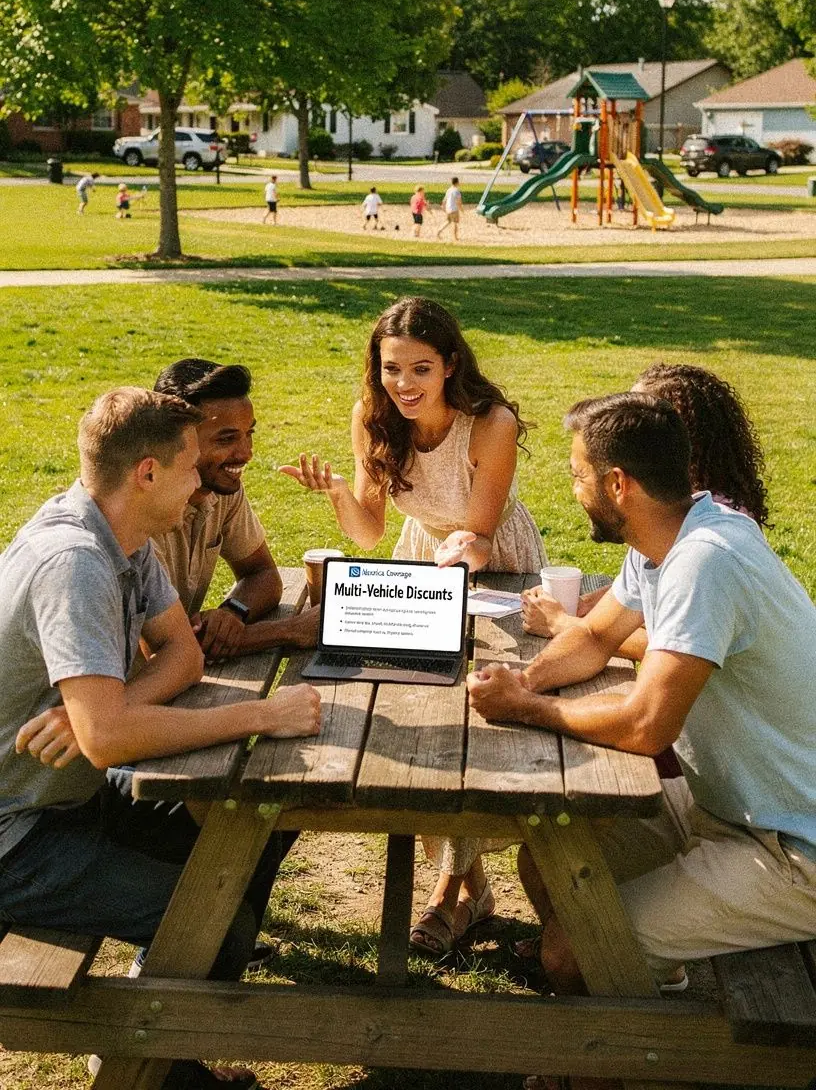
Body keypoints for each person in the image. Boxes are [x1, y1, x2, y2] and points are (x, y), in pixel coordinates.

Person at [3, 388, 320, 1090]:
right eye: (190, 466)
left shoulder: (125, 535)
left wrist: (104, 710)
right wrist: (260, 715)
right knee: (219, 916)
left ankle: (168, 1027)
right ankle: (154, 1065)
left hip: (70, 798)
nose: (203, 479)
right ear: (146, 472)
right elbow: (111, 741)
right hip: (16, 839)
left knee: (253, 835)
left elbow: (185, 657)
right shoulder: (76, 561)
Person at [468, 392, 816, 995]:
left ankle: (621, 1060)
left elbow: (646, 725)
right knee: (549, 865)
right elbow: (593, 640)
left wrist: (528, 708)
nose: (575, 490)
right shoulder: (668, 535)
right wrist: (523, 679)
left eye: (579, 476)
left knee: (573, 947)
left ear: (618, 484)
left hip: (792, 850)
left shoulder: (703, 562)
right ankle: (653, 993)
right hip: (725, 812)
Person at [280, 296, 546, 956]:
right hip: (423, 556)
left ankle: (452, 893)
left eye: (420, 369)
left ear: (450, 365)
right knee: (428, 711)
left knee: (480, 717)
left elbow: (480, 536)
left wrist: (466, 550)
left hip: (496, 566)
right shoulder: (373, 419)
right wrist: (342, 494)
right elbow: (368, 529)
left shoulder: (491, 423)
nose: (403, 384)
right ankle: (464, 888)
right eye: (391, 368)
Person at [522, 363, 770, 651]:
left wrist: (562, 624)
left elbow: (670, 641)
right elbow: (642, 592)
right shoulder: (660, 513)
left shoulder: (708, 541)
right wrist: (588, 605)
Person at [151, 359, 321, 659]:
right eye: (227, 438)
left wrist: (233, 610)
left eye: (249, 434)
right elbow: (162, 650)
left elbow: (264, 574)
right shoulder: (142, 516)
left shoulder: (220, 487)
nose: (246, 453)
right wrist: (290, 630)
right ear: (180, 442)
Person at [437, 175, 463, 240]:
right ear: (457, 182)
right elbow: (458, 202)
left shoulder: (449, 190)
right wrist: (461, 209)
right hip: (454, 209)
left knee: (448, 221)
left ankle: (439, 231)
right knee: (455, 222)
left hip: (448, 208)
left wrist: (443, 207)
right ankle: (455, 237)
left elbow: (444, 200)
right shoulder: (457, 191)